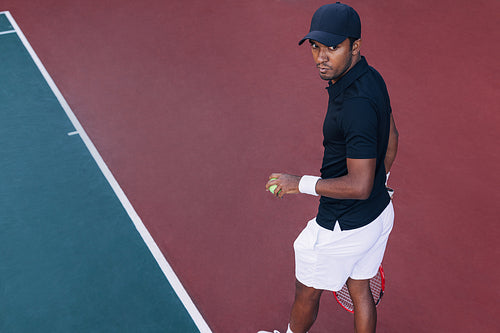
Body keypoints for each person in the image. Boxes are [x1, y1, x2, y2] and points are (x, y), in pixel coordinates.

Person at [259, 3, 399, 333]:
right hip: (379, 216)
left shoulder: (355, 104)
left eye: (333, 47)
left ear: (355, 47)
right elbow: (392, 135)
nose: (322, 57)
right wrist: (384, 180)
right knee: (360, 288)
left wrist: (299, 183)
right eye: (316, 47)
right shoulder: (371, 77)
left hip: (341, 226)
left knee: (306, 292)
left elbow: (360, 185)